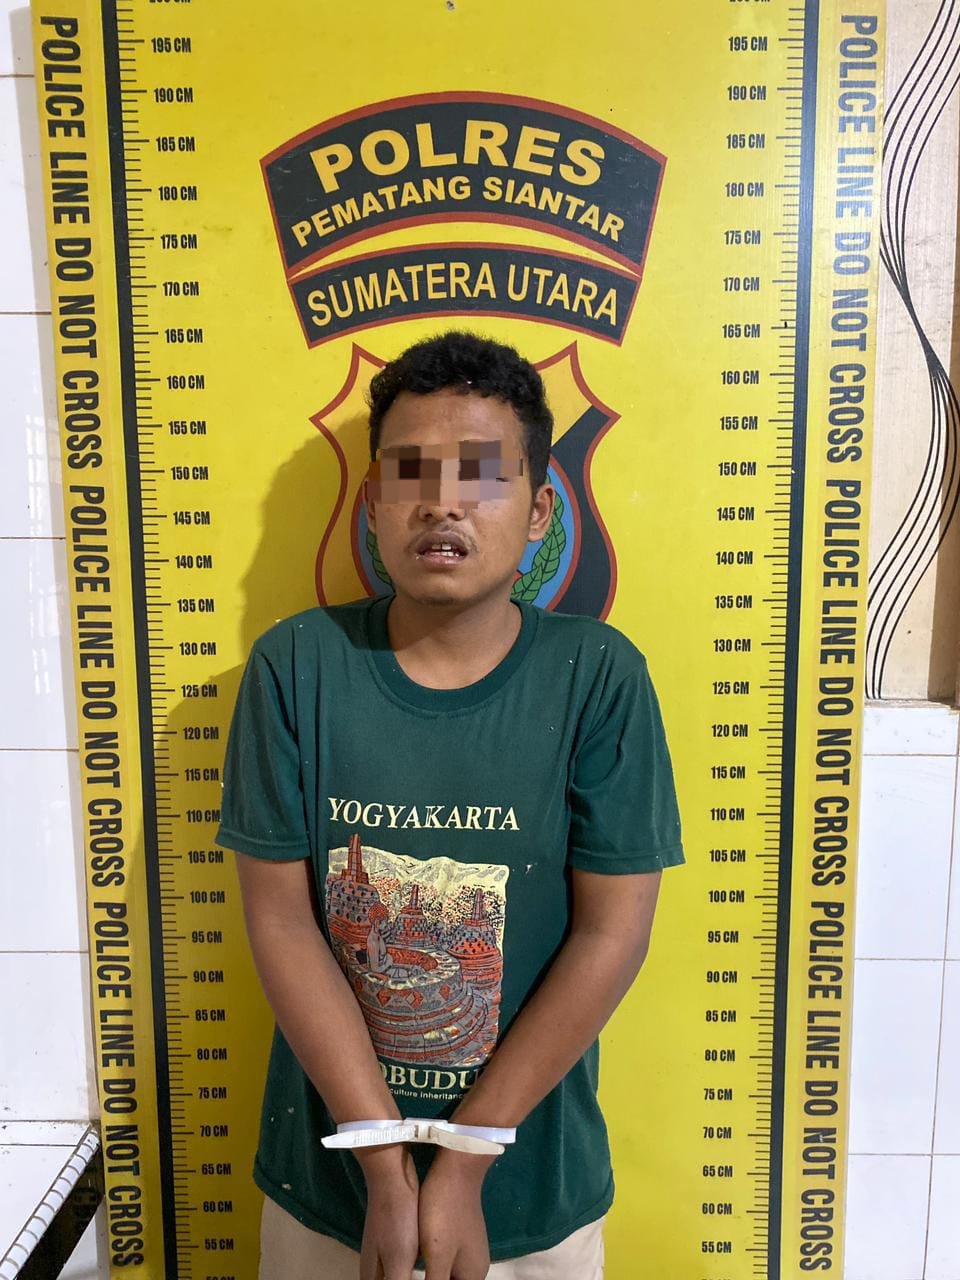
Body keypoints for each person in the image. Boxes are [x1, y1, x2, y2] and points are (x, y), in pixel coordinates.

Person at [215, 330, 685, 1280]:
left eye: (482, 476)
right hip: (331, 1185)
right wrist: (383, 1164)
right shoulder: (295, 667)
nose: (443, 502)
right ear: (373, 504)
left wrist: (467, 1158)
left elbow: (612, 934)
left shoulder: (598, 678)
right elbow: (281, 921)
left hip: (529, 1191)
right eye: (411, 473)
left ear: (540, 511)